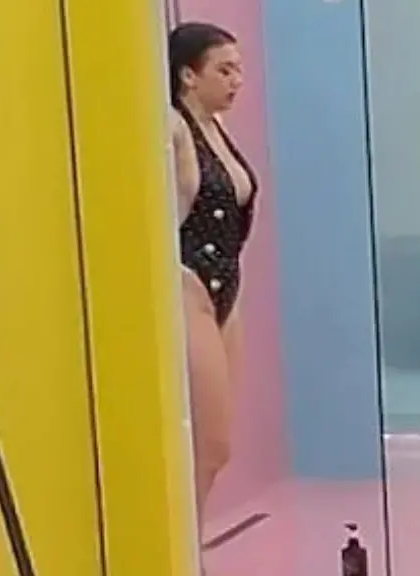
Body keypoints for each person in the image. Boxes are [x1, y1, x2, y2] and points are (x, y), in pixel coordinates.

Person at [168, 22, 257, 532]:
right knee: (209, 442)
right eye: (224, 70)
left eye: (239, 70)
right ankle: (183, 549)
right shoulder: (174, 127)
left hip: (228, 288)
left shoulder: (217, 130)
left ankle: (188, 541)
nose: (236, 81)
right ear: (188, 75)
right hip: (190, 284)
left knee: (217, 449)